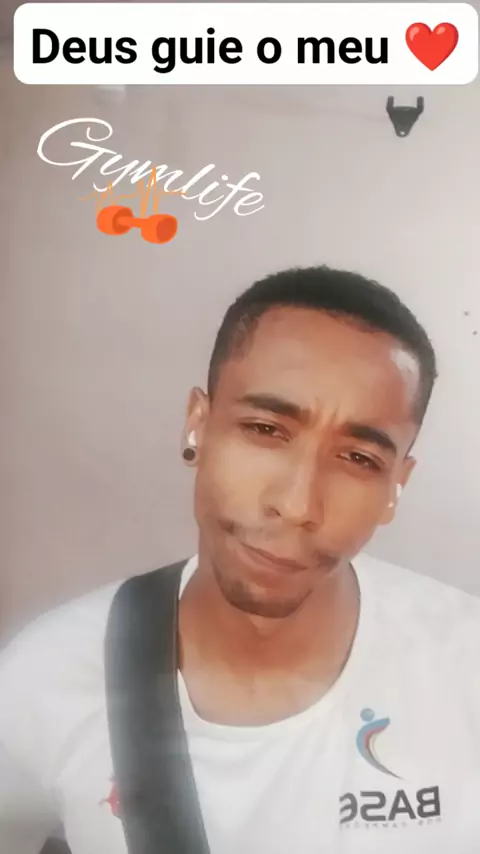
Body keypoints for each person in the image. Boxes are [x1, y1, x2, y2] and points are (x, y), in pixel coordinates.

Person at [1, 264, 480, 854]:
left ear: (396, 487)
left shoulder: (467, 669)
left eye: (359, 459)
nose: (298, 504)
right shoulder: (43, 679)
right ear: (197, 426)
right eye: (265, 429)